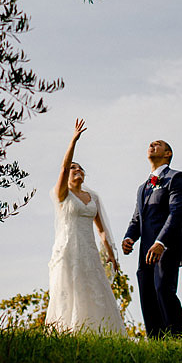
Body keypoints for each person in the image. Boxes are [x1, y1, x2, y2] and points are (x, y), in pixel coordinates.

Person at [45, 118, 125, 334]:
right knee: (68, 291)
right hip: (68, 249)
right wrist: (74, 141)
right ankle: (68, 332)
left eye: (80, 168)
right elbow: (63, 168)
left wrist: (110, 254)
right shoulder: (62, 194)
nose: (76, 169)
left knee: (94, 291)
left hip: (88, 251)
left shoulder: (93, 197)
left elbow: (101, 230)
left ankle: (99, 333)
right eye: (73, 168)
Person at [122, 139, 182, 338]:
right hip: (145, 251)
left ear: (168, 153)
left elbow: (177, 213)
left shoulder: (176, 178)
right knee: (147, 295)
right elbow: (137, 218)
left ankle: (177, 338)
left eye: (158, 144)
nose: (151, 145)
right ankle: (156, 343)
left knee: (163, 290)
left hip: (167, 246)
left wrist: (161, 242)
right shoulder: (142, 188)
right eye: (150, 144)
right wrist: (129, 237)